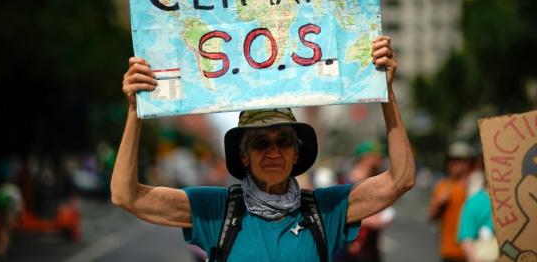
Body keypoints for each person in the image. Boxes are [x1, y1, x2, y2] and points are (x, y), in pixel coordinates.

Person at [111, 36, 416, 261]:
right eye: (260, 143)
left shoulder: (325, 210)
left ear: (296, 153)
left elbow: (399, 180)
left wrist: (385, 91)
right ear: (244, 155)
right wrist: (135, 110)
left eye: (283, 141)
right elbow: (127, 196)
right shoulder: (217, 210)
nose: (273, 151)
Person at [341, 140, 395, 262]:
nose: (381, 158)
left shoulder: (375, 182)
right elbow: (341, 214)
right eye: (378, 155)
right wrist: (371, 219)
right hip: (349, 251)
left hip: (369, 249)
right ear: (366, 157)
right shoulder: (346, 183)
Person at [428, 141, 474, 262]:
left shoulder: (475, 187)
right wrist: (439, 204)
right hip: (449, 252)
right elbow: (431, 216)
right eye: (450, 160)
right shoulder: (443, 186)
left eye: (458, 160)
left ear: (468, 163)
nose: (453, 164)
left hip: (474, 252)